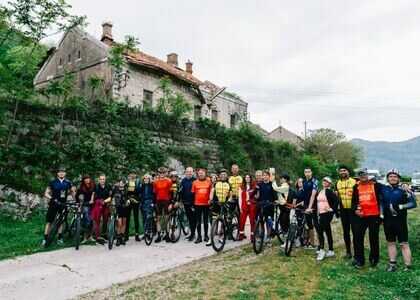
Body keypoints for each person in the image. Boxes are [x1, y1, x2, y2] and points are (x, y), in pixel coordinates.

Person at [380, 169, 417, 272]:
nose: (393, 178)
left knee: (403, 243)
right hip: (388, 221)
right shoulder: (384, 189)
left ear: (398, 178)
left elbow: (413, 203)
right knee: (390, 242)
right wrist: (381, 214)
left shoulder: (403, 189)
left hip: (400, 221)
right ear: (387, 178)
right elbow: (381, 202)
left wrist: (401, 206)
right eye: (390, 176)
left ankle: (408, 266)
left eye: (395, 176)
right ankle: (392, 264)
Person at [351, 168, 381, 268]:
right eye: (361, 175)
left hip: (374, 215)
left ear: (367, 175)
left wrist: (403, 185)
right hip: (361, 216)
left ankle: (374, 259)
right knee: (358, 238)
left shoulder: (375, 185)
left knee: (373, 238)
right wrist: (355, 209)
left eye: (364, 174)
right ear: (358, 177)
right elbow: (354, 201)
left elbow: (387, 189)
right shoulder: (356, 186)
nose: (363, 176)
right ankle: (360, 260)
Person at [42, 166, 73, 246]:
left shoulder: (68, 182)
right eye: (60, 172)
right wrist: (52, 198)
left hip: (63, 204)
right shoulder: (53, 182)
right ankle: (45, 239)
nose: (61, 173)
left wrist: (73, 200)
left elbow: (72, 192)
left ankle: (60, 238)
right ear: (57, 173)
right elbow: (46, 193)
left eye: (63, 172)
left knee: (61, 221)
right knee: (49, 221)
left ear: (65, 173)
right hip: (53, 203)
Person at [313, 177, 339, 261]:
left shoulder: (329, 191)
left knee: (320, 230)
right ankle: (331, 250)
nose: (324, 182)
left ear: (329, 183)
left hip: (327, 214)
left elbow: (337, 200)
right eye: (324, 180)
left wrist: (332, 209)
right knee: (327, 230)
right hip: (321, 213)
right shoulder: (321, 191)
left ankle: (321, 249)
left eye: (327, 181)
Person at [335, 165, 357, 259]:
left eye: (344, 170)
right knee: (346, 231)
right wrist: (337, 209)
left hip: (353, 209)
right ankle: (348, 251)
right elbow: (338, 197)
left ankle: (357, 251)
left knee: (356, 231)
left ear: (348, 171)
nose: (343, 172)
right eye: (341, 171)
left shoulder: (355, 181)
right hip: (344, 210)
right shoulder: (337, 183)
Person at [255, 170, 278, 245]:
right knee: (260, 221)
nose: (265, 176)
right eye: (263, 175)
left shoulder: (272, 185)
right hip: (261, 205)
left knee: (269, 222)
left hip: (270, 205)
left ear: (269, 176)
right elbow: (257, 196)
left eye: (266, 175)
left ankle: (268, 237)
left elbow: (275, 196)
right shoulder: (259, 185)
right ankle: (260, 237)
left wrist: (275, 201)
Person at [192, 168, 214, 244]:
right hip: (197, 204)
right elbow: (193, 194)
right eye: (199, 173)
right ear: (198, 174)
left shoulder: (209, 182)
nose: (201, 174)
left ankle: (206, 236)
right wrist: (192, 205)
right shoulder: (194, 182)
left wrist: (211, 202)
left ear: (205, 173)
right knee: (198, 221)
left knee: (205, 221)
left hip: (206, 204)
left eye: (202, 173)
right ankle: (199, 237)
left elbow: (212, 192)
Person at [212, 169, 232, 244]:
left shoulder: (229, 184)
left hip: (225, 204)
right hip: (216, 203)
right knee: (214, 220)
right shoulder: (215, 183)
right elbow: (212, 192)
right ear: (219, 176)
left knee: (224, 220)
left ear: (226, 176)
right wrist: (210, 199)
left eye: (224, 175)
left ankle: (221, 236)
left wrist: (228, 201)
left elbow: (230, 195)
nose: (223, 176)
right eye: (222, 174)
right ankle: (211, 238)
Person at [153, 167, 173, 243]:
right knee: (159, 218)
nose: (162, 174)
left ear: (165, 173)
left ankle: (167, 235)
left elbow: (171, 193)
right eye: (160, 173)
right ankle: (159, 235)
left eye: (163, 173)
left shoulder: (169, 181)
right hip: (158, 201)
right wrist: (154, 203)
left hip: (166, 201)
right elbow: (154, 193)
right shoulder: (155, 182)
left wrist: (171, 203)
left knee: (166, 218)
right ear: (158, 173)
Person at [91, 174, 112, 243]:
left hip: (105, 203)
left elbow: (110, 196)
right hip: (97, 203)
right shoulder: (96, 186)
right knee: (97, 220)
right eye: (101, 179)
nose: (102, 180)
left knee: (105, 219)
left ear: (105, 180)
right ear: (99, 180)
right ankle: (97, 236)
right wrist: (92, 200)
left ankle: (104, 234)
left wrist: (105, 201)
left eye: (103, 179)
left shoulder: (108, 186)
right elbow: (93, 195)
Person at [75, 175, 96, 243]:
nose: (87, 180)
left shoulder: (93, 186)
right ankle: (85, 236)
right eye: (86, 179)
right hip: (84, 204)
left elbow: (94, 194)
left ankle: (90, 236)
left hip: (92, 204)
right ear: (83, 180)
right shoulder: (81, 188)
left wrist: (92, 200)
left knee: (92, 220)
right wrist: (79, 204)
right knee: (87, 219)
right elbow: (78, 197)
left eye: (88, 178)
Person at [303, 168, 319, 249]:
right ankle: (311, 243)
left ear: (311, 172)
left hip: (313, 206)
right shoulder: (304, 182)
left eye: (309, 172)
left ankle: (319, 244)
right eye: (306, 172)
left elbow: (313, 195)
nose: (307, 173)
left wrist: (310, 207)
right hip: (305, 206)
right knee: (309, 224)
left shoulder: (315, 181)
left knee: (316, 224)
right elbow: (304, 194)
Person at [179, 167, 196, 241]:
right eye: (187, 172)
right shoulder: (183, 181)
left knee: (193, 219)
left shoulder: (195, 180)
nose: (189, 173)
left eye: (190, 172)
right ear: (185, 172)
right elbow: (181, 191)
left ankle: (193, 234)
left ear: (193, 172)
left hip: (194, 203)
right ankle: (192, 233)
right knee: (189, 218)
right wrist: (180, 201)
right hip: (186, 202)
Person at [239, 174, 256, 241]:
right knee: (242, 220)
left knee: (252, 220)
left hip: (252, 205)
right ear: (244, 178)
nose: (247, 178)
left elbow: (256, 196)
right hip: (244, 205)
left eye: (248, 177)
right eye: (246, 177)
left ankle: (252, 235)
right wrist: (240, 206)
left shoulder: (254, 186)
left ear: (251, 178)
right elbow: (240, 197)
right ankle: (241, 234)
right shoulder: (241, 186)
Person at [112, 179, 129, 246]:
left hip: (125, 207)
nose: (121, 184)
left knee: (124, 223)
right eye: (120, 183)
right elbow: (112, 197)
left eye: (122, 183)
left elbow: (127, 197)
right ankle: (118, 238)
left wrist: (128, 201)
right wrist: (113, 202)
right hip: (118, 208)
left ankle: (122, 238)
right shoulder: (115, 190)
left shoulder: (126, 190)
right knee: (119, 223)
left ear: (124, 184)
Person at [125, 172, 141, 242]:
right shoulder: (126, 182)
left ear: (136, 175)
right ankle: (126, 235)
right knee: (127, 218)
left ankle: (136, 234)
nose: (132, 175)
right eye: (131, 174)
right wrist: (127, 199)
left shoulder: (138, 182)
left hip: (135, 201)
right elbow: (125, 192)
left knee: (136, 217)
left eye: (134, 174)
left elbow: (139, 191)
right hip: (128, 200)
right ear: (129, 175)